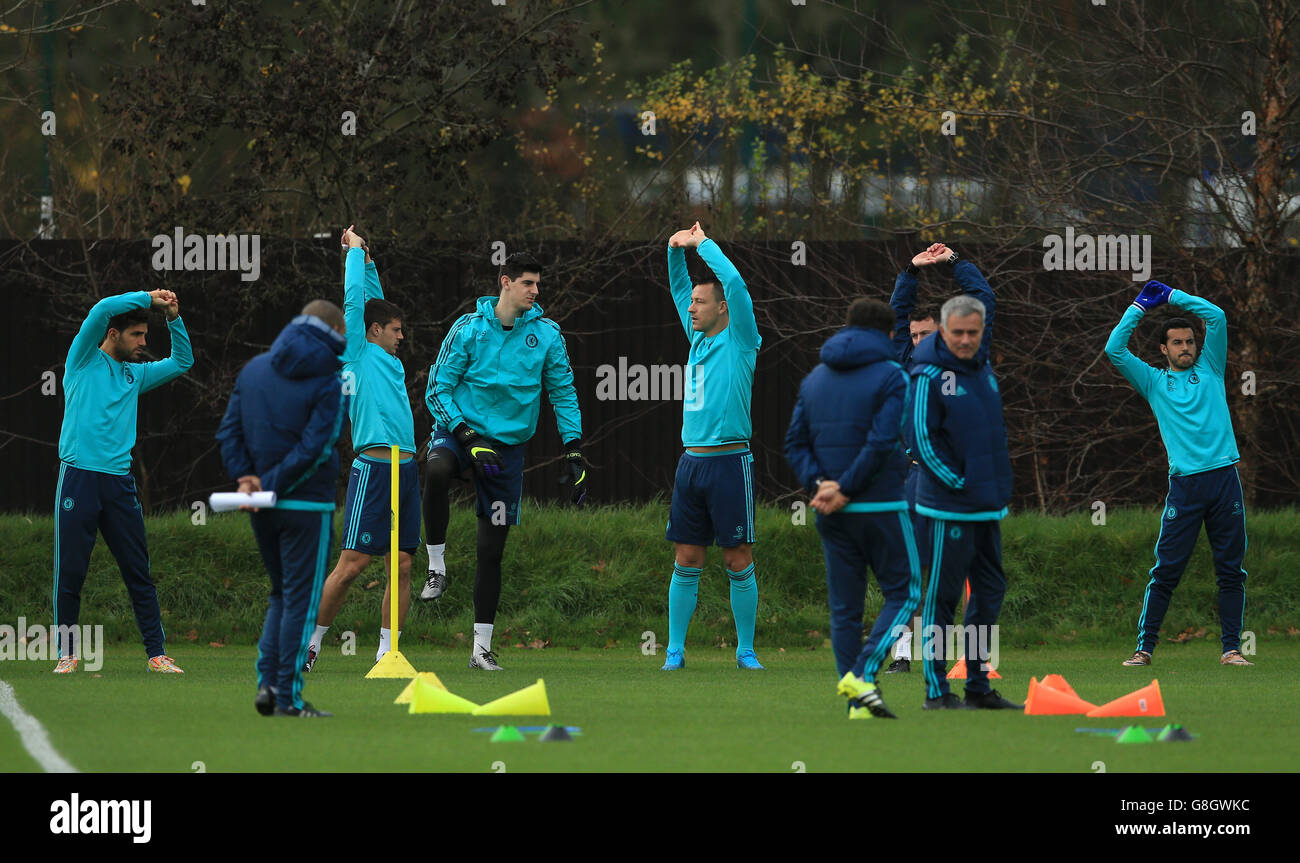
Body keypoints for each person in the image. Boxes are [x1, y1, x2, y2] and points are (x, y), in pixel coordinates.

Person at [423, 251, 587, 670]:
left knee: (490, 551)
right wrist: (466, 435)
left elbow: (563, 392)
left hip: (506, 451)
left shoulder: (548, 335)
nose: (536, 291)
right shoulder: (468, 328)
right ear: (506, 283)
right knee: (437, 469)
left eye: (538, 284)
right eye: (528, 283)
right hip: (459, 433)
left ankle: (481, 650)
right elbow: (437, 389)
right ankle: (436, 566)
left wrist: (573, 447)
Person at [784, 297, 920, 719]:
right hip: (879, 502)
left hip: (829, 510)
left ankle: (857, 703)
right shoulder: (893, 375)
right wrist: (845, 487)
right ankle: (862, 674)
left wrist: (820, 484)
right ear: (890, 334)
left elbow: (794, 443)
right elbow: (882, 442)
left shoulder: (814, 379)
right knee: (907, 590)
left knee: (845, 609)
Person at [1104, 281, 1251, 667]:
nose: (1186, 347)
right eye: (1178, 343)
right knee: (1166, 571)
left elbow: (1216, 317)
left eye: (1190, 341)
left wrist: (1172, 296)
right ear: (1163, 349)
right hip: (1185, 487)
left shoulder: (1212, 368)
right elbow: (1114, 349)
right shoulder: (1154, 382)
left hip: (1224, 481)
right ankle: (1144, 649)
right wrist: (1138, 307)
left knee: (1231, 570)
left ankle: (1231, 649)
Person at [216, 301, 348, 717]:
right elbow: (318, 446)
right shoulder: (329, 376)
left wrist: (247, 480)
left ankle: (267, 686)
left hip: (260, 506)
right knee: (301, 602)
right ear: (334, 328)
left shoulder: (254, 369)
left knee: (280, 595)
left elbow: (228, 432)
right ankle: (287, 697)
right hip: (307, 504)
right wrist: (270, 484)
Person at [52, 288, 192, 673]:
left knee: (138, 572)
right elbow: (102, 308)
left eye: (146, 335)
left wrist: (174, 318)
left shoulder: (136, 375)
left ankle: (156, 654)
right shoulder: (82, 360)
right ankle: (67, 653)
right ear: (113, 335)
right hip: (79, 478)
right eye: (137, 335)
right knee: (71, 572)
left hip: (118, 485)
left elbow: (183, 360)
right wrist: (147, 297)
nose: (144, 343)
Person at [307, 227, 420, 670]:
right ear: (374, 331)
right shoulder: (355, 351)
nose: (401, 336)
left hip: (406, 471)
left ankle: (387, 653)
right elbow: (356, 304)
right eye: (395, 330)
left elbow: (373, 301)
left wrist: (370, 262)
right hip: (373, 471)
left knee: (404, 564)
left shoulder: (387, 357)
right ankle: (310, 644)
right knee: (352, 564)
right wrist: (353, 255)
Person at [905, 285, 1020, 710]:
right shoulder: (928, 374)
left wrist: (956, 261)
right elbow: (919, 439)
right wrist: (958, 482)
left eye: (973, 332)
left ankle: (977, 686)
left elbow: (986, 295)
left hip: (986, 505)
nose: (966, 340)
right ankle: (937, 692)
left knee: (989, 591)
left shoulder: (982, 367)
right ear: (943, 331)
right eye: (958, 333)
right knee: (942, 598)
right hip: (946, 507)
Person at [885, 243, 993, 674]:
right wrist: (910, 271)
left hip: (960, 481)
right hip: (913, 477)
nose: (916, 343)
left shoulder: (965, 358)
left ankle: (973, 655)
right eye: (913, 337)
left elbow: (984, 300)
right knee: (909, 567)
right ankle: (903, 654)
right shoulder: (906, 363)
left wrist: (955, 264)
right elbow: (896, 315)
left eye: (925, 335)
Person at [660, 222, 763, 671]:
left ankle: (745, 651)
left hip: (730, 463)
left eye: (701, 302)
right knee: (687, 556)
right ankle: (674, 652)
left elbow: (736, 282)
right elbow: (679, 282)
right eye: (692, 302)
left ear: (723, 308)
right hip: (691, 465)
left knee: (737, 557)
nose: (692, 307)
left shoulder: (741, 339)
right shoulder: (697, 337)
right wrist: (673, 249)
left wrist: (703, 244)